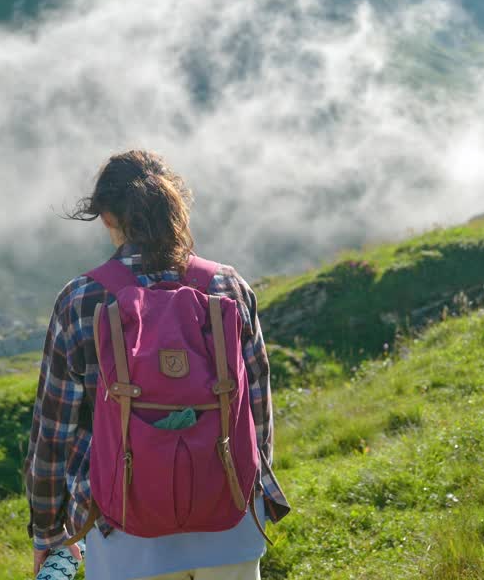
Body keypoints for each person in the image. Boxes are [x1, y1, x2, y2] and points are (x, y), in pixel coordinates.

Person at [26, 150, 291, 580]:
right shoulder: (228, 287)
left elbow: (53, 432)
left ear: (108, 218)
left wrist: (48, 534)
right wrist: (244, 488)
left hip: (123, 528)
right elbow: (256, 410)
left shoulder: (81, 300)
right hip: (229, 519)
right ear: (176, 208)